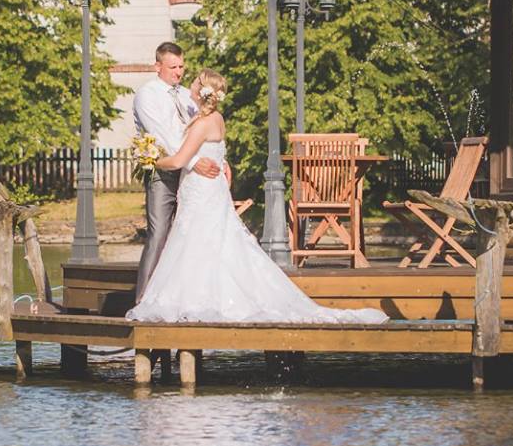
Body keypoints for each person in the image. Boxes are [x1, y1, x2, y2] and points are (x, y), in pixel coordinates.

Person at [128, 70, 388, 325]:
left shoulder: (201, 124)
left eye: (195, 82)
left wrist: (150, 160)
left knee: (197, 242)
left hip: (201, 191)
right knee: (213, 242)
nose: (190, 86)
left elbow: (178, 161)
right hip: (211, 190)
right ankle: (205, 296)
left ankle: (199, 300)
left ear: (202, 91)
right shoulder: (217, 119)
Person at [132, 42, 224, 304]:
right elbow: (163, 135)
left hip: (190, 176)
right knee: (159, 231)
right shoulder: (147, 95)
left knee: (184, 236)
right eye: (173, 67)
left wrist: (218, 159)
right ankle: (144, 298)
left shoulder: (187, 95)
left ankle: (177, 298)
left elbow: (202, 129)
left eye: (182, 66)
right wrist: (193, 161)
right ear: (158, 66)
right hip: (164, 171)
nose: (179, 72)